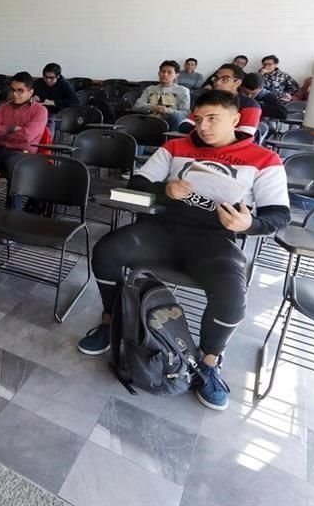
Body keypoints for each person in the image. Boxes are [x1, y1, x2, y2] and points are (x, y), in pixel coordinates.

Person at [78, 90, 290, 410]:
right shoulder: (176, 146)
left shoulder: (263, 159)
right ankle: (111, 322)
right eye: (199, 119)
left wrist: (248, 225)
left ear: (235, 119)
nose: (203, 126)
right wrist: (165, 190)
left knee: (233, 299)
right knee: (107, 252)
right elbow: (138, 184)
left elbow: (279, 216)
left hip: (215, 240)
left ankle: (208, 361)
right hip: (164, 230)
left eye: (213, 119)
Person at [0, 72, 49, 209]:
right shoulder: (3, 107)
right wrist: (12, 129)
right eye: (13, 90)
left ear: (30, 92)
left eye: (20, 91)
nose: (15, 94)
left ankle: (13, 214)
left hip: (22, 154)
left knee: (16, 169)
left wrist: (2, 132)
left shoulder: (40, 110)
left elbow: (27, 136)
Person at [179, 63, 260, 138]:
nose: (217, 83)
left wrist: (205, 130)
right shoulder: (207, 101)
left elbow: (245, 134)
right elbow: (185, 125)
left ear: (237, 82)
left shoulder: (250, 105)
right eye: (216, 79)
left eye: (224, 79)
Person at [133, 60, 190, 129]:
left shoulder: (183, 91)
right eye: (163, 71)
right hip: (150, 120)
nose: (165, 74)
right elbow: (137, 106)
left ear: (176, 75)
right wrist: (153, 107)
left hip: (171, 121)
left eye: (169, 72)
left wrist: (167, 111)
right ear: (159, 73)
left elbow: (185, 113)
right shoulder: (150, 89)